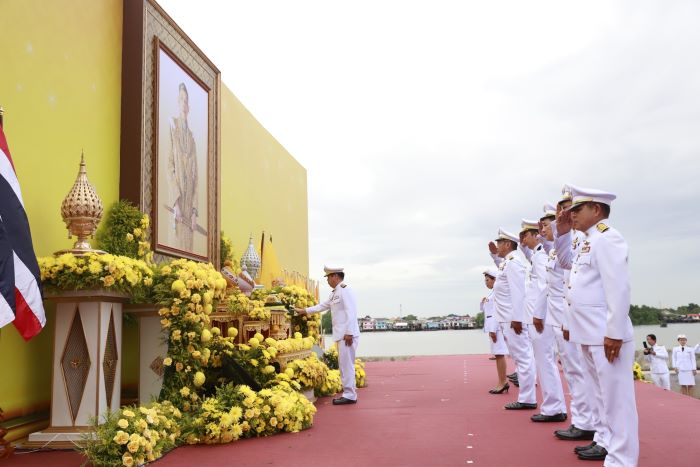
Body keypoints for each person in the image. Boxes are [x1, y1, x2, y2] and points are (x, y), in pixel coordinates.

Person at [556, 186, 639, 465]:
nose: (572, 214)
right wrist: (563, 232)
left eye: (577, 209)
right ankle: (604, 441)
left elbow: (618, 289)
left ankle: (623, 459)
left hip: (605, 335)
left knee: (617, 403)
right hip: (588, 334)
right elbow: (567, 269)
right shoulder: (585, 241)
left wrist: (614, 333)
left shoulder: (607, 239)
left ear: (597, 210)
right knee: (602, 398)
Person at [539, 203, 597, 441]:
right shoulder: (560, 247)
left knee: (579, 371)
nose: (545, 229)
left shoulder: (583, 240)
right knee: (573, 370)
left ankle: (586, 422)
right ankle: (583, 420)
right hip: (561, 317)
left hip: (573, 318)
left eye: (547, 224)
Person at [521, 218, 567, 423]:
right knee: (545, 362)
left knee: (545, 362)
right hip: (542, 314)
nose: (523, 238)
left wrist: (538, 314)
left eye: (526, 234)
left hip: (542, 316)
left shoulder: (541, 256)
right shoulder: (540, 254)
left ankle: (553, 407)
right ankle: (553, 406)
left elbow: (543, 286)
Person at [295, 266, 360, 405]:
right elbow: (322, 306)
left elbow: (351, 312)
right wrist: (304, 310)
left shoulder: (345, 290)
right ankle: (349, 393)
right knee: (344, 365)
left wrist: (349, 332)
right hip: (341, 335)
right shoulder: (334, 293)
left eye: (329, 277)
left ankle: (350, 395)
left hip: (347, 335)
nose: (328, 280)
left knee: (347, 365)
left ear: (335, 276)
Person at [490, 228, 537, 410]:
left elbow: (519, 292)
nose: (498, 246)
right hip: (507, 319)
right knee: (520, 358)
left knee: (524, 358)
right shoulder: (507, 262)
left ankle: (527, 398)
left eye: (500, 243)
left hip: (512, 319)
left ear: (507, 244)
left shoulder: (514, 263)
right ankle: (526, 397)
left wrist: (517, 318)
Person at [168, 82, 199, 252]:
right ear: (177, 102)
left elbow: (196, 178)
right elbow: (169, 167)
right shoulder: (171, 126)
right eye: (181, 100)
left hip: (189, 212)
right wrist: (176, 203)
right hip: (177, 209)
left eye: (186, 101)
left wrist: (194, 211)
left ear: (189, 106)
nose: (184, 104)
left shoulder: (192, 139)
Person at [481, 269, 510, 394]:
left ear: (494, 280)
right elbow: (487, 311)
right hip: (493, 327)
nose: (486, 283)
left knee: (499, 354)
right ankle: (502, 381)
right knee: (498, 354)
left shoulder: (497, 294)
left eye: (488, 280)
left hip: (496, 328)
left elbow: (495, 313)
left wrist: (492, 330)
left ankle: (502, 382)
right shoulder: (492, 294)